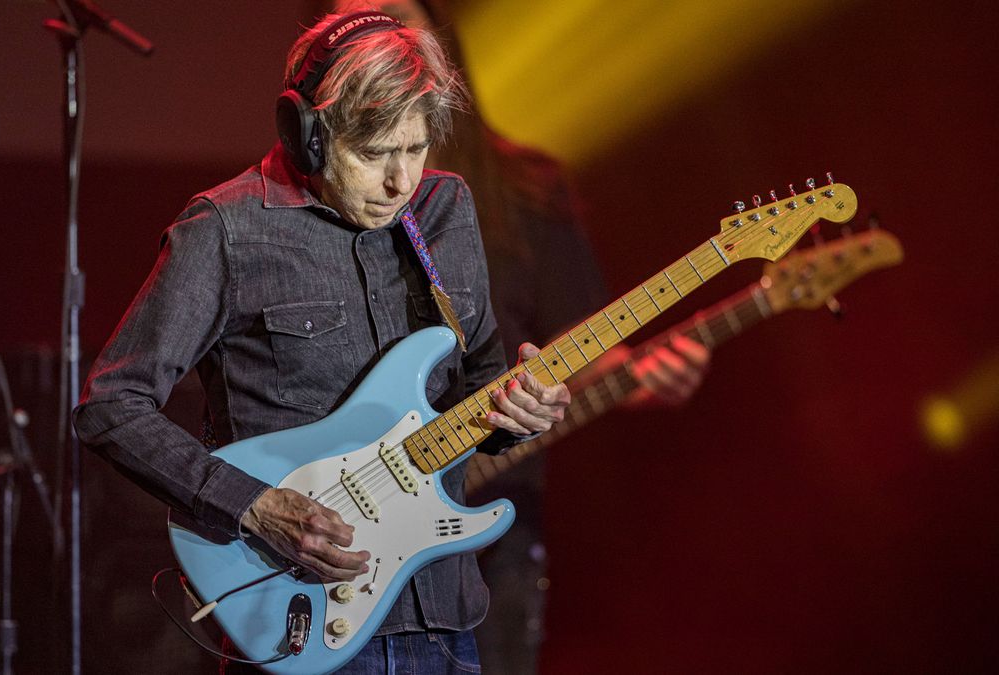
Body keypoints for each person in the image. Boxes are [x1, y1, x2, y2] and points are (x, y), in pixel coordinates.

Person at [74, 10, 573, 672]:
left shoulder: (446, 209)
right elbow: (110, 401)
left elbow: (478, 387)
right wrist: (250, 504)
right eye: (373, 155)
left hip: (443, 620)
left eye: (415, 149)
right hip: (301, 618)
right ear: (306, 133)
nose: (400, 182)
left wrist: (519, 415)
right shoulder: (226, 228)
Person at [323, 2, 711, 672]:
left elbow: (577, 342)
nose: (374, 41)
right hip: (345, 515)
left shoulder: (525, 187)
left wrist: (639, 374)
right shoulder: (314, 195)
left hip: (488, 526)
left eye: (391, 17)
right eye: (350, 24)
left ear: (439, 46)